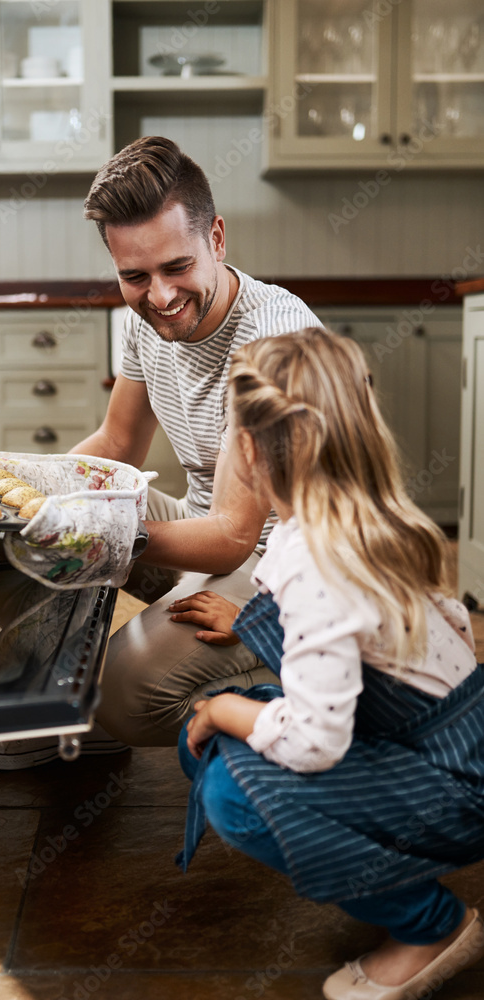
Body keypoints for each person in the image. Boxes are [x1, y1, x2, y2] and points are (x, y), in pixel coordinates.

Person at [0, 135, 321, 769]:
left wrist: (101, 532)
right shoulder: (145, 321)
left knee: (128, 695)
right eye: (134, 276)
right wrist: (19, 491)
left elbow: (234, 538)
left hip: (288, 567)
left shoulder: (273, 338)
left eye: (176, 267)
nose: (159, 297)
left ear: (216, 238)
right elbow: (115, 443)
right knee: (24, 555)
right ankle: (71, 704)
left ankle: (313, 696)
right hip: (207, 525)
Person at [175, 326, 484, 1000]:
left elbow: (316, 741)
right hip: (449, 740)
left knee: (232, 792)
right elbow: (411, 638)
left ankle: (431, 922)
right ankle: (391, 860)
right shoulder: (362, 515)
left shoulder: (317, 563)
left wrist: (226, 708)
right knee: (214, 736)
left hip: (457, 785)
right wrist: (247, 629)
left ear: (249, 451)